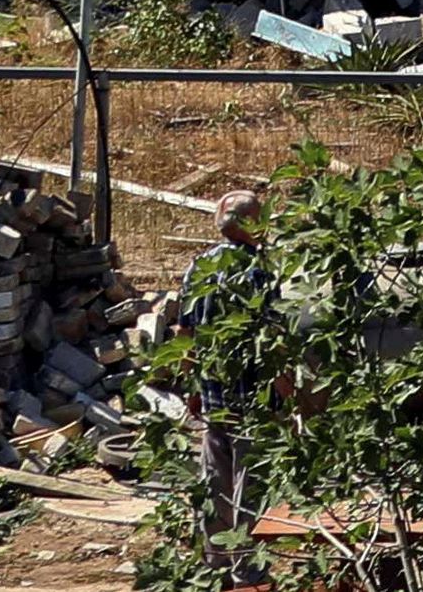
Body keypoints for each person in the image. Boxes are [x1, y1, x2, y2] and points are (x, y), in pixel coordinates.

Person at [172, 188, 272, 564]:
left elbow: (185, 335)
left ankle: (215, 564)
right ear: (250, 224)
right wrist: (289, 395)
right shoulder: (258, 270)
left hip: (214, 397)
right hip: (253, 400)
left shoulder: (200, 267)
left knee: (215, 481)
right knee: (250, 487)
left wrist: (190, 385)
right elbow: (273, 338)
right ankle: (248, 571)